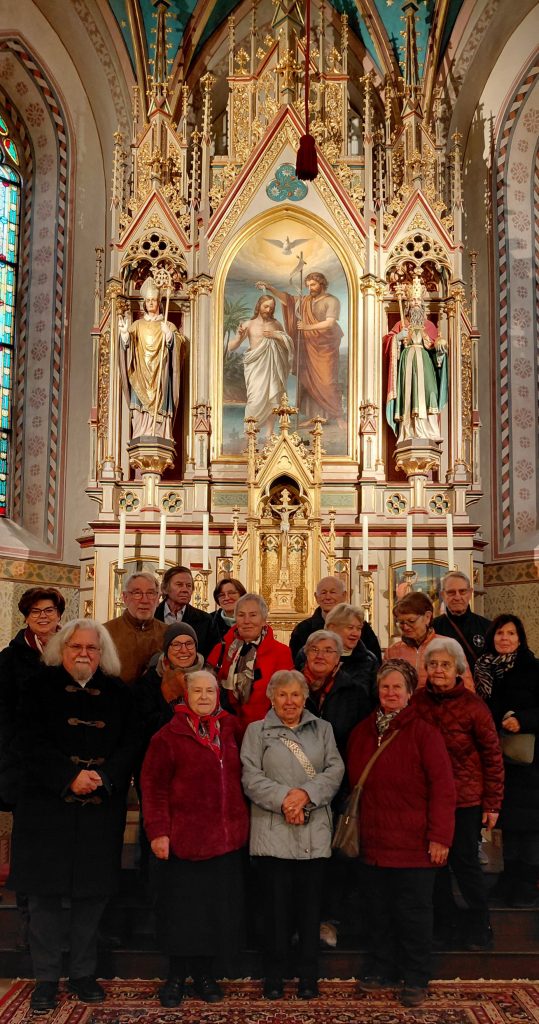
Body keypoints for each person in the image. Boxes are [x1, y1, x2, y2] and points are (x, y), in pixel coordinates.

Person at [8, 620, 140, 1011]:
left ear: (103, 653)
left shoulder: (119, 692)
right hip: (45, 807)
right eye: (76, 647)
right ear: (61, 650)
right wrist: (68, 776)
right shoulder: (35, 688)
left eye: (91, 648)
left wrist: (104, 776)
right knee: (44, 898)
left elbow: (132, 743)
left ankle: (83, 973)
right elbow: (27, 742)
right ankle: (46, 978)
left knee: (92, 896)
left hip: (100, 808)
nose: (84, 653)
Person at [347, 659, 455, 1008]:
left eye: (397, 687)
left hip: (414, 846)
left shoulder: (424, 733)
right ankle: (383, 968)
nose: (391, 693)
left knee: (413, 915)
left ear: (410, 694)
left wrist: (440, 836)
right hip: (374, 843)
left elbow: (443, 789)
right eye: (385, 687)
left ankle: (416, 976)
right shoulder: (362, 732)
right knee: (377, 912)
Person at [141, 670, 249, 1007]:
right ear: (185, 695)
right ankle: (176, 977)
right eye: (197, 691)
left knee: (215, 913)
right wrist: (158, 832)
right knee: (182, 914)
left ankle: (205, 976)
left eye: (210, 691)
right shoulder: (167, 737)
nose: (204, 697)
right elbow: (153, 788)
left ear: (218, 695)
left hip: (225, 841)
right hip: (184, 841)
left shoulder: (232, 728)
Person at [241, 669, 344, 999]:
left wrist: (305, 796)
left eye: (296, 694)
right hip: (272, 832)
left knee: (310, 911)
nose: (289, 701)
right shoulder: (256, 731)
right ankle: (274, 976)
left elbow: (335, 771)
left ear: (305, 698)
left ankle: (308, 976)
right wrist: (286, 800)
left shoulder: (323, 729)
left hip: (313, 831)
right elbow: (250, 777)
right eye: (282, 694)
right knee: (275, 912)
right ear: (272, 698)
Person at [413, 637, 504, 950]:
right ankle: (446, 923)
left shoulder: (473, 706)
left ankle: (480, 925)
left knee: (464, 862)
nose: (439, 670)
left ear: (458, 670)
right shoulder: (417, 702)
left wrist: (492, 804)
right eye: (433, 664)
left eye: (445, 665)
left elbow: (492, 756)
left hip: (465, 798)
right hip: (427, 798)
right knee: (433, 864)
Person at [301, 628, 371, 947]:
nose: (321, 655)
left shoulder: (354, 693)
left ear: (339, 658)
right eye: (315, 649)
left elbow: (358, 741)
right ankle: (300, 920)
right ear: (305, 653)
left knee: (333, 859)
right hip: (298, 787)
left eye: (329, 650)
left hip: (337, 787)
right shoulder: (292, 686)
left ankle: (328, 919)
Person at [475, 614, 539, 906]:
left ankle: (526, 884)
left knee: (530, 826)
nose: (505, 638)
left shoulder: (532, 667)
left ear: (520, 639)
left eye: (511, 633)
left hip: (529, 761)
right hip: (498, 758)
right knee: (510, 824)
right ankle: (508, 878)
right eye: (500, 633)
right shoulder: (484, 668)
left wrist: (522, 719)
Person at [0, 586, 65, 810]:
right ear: (26, 617)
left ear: (59, 615)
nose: (42, 616)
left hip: (65, 752)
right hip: (23, 753)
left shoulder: (75, 651)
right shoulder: (9, 658)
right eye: (35, 611)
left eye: (49, 610)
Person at [257, 273, 345, 427]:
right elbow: (288, 301)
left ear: (322, 284)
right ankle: (316, 417)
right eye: (308, 285)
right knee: (308, 381)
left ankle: (338, 417)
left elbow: (330, 323)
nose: (310, 288)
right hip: (308, 347)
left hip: (325, 347)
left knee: (327, 381)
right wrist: (270, 288)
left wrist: (307, 327)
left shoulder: (332, 301)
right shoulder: (306, 300)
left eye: (313, 285)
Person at [206, 593, 293, 732]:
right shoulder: (221, 649)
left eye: (253, 615)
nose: (247, 621)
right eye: (241, 615)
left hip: (264, 730)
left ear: (264, 619)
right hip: (224, 729)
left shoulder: (281, 652)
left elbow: (286, 697)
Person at [385, 272, 448, 442]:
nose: (415, 303)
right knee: (408, 395)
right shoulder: (401, 324)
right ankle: (407, 432)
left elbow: (436, 348)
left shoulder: (429, 325)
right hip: (407, 364)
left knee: (430, 392)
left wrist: (440, 348)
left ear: (422, 304)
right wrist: (397, 338)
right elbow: (387, 344)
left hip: (426, 364)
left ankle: (430, 430)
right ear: (407, 303)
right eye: (413, 300)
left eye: (418, 300)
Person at [118, 276, 182, 439]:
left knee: (160, 402)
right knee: (139, 406)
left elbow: (179, 352)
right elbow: (126, 348)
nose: (151, 303)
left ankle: (161, 434)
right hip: (140, 374)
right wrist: (125, 334)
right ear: (144, 304)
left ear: (159, 302)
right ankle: (140, 433)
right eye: (148, 300)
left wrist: (170, 337)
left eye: (153, 300)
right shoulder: (137, 325)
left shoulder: (168, 326)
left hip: (160, 376)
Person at [227, 295, 294, 437]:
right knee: (254, 399)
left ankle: (269, 434)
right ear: (259, 306)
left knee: (273, 398)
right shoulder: (249, 324)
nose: (268, 310)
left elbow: (287, 344)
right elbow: (232, 347)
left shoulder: (276, 324)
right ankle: (250, 433)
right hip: (256, 367)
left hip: (273, 366)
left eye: (271, 308)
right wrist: (238, 337)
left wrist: (276, 335)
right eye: (266, 306)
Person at [134, 622, 205, 749]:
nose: (184, 650)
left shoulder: (209, 676)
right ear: (167, 649)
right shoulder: (150, 681)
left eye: (189, 643)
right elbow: (146, 724)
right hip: (163, 748)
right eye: (176, 645)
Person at [386, 591, 474, 689]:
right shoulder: (393, 651)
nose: (405, 627)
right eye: (401, 623)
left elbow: (467, 688)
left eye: (411, 621)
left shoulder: (449, 647)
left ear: (427, 617)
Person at [290, 576, 381, 664]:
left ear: (344, 595)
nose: (328, 597)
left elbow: (375, 662)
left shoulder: (361, 627)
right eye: (323, 593)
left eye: (333, 592)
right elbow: (296, 664)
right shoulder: (303, 629)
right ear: (316, 597)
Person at [104, 571, 166, 684]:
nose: (144, 600)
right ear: (125, 598)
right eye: (137, 593)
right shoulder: (106, 632)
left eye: (151, 593)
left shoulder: (167, 633)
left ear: (158, 599)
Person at [432, 571, 491, 672]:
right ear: (443, 595)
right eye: (451, 592)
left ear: (470, 593)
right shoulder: (433, 627)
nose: (457, 597)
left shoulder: (488, 626)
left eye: (462, 591)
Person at [324, 603, 378, 706]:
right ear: (332, 628)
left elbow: (374, 699)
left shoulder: (369, 660)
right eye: (350, 627)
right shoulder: (311, 654)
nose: (355, 633)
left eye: (359, 628)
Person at [155, 566, 212, 656]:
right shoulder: (151, 616)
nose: (185, 590)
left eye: (188, 586)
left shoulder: (205, 620)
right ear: (164, 589)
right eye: (179, 584)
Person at [206, 577, 247, 652]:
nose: (227, 598)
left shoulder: (253, 620)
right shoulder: (208, 621)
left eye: (232, 593)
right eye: (221, 595)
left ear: (242, 595)